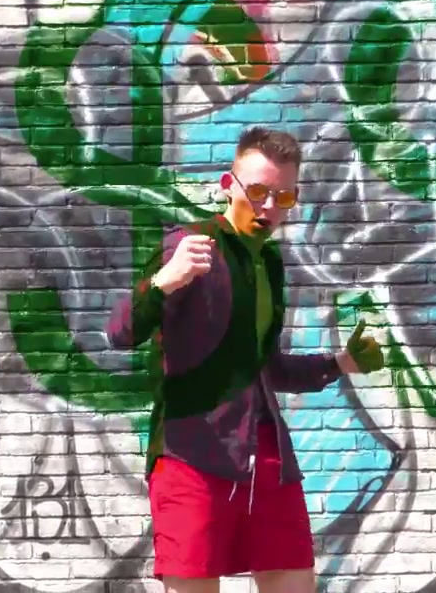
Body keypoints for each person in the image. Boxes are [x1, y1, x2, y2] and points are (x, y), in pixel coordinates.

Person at [107, 126, 385, 593]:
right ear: (227, 185)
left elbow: (267, 368)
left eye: (283, 197)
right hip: (192, 456)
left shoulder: (269, 264)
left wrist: (340, 363)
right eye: (257, 192)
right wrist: (164, 282)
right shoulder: (191, 246)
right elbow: (120, 332)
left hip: (265, 455)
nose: (268, 207)